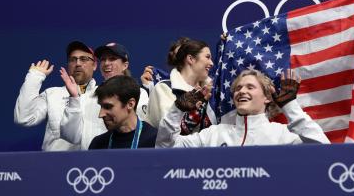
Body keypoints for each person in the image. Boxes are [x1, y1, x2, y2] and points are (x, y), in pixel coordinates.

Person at [156, 69, 330, 147]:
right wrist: (177, 109)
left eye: (250, 87)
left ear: (267, 98)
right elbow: (166, 149)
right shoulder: (214, 134)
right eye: (238, 88)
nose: (242, 91)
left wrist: (290, 107)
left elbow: (323, 151)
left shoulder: (283, 135)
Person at [60, 41, 150, 147]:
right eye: (103, 59)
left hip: (126, 156)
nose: (106, 63)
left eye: (112, 59)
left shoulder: (139, 93)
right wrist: (74, 98)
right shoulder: (87, 96)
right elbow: (71, 137)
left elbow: (141, 132)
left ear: (125, 65)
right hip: (91, 160)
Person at [14, 41, 100, 151]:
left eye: (84, 59)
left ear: (94, 65)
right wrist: (34, 77)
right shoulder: (52, 94)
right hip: (55, 165)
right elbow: (23, 118)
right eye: (73, 59)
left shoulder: (104, 93)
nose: (78, 63)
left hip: (94, 164)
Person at [146, 38, 214, 132]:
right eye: (207, 57)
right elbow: (167, 133)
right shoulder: (163, 89)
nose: (212, 63)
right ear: (191, 59)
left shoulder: (213, 92)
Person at [89, 76, 157, 149]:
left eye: (108, 107)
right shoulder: (97, 144)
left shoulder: (156, 141)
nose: (101, 114)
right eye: (101, 106)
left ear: (130, 104)